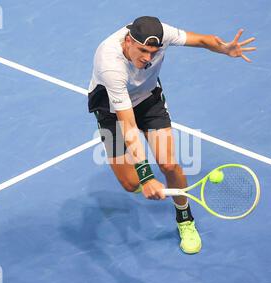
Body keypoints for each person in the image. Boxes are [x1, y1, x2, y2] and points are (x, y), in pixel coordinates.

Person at [88, 16, 256, 254]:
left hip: (148, 100)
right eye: (143, 50)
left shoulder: (164, 33)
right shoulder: (109, 63)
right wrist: (145, 178)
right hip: (110, 109)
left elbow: (200, 40)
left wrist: (224, 49)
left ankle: (185, 218)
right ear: (128, 41)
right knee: (130, 183)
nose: (148, 58)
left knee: (168, 164)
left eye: (154, 52)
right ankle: (148, 184)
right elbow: (128, 124)